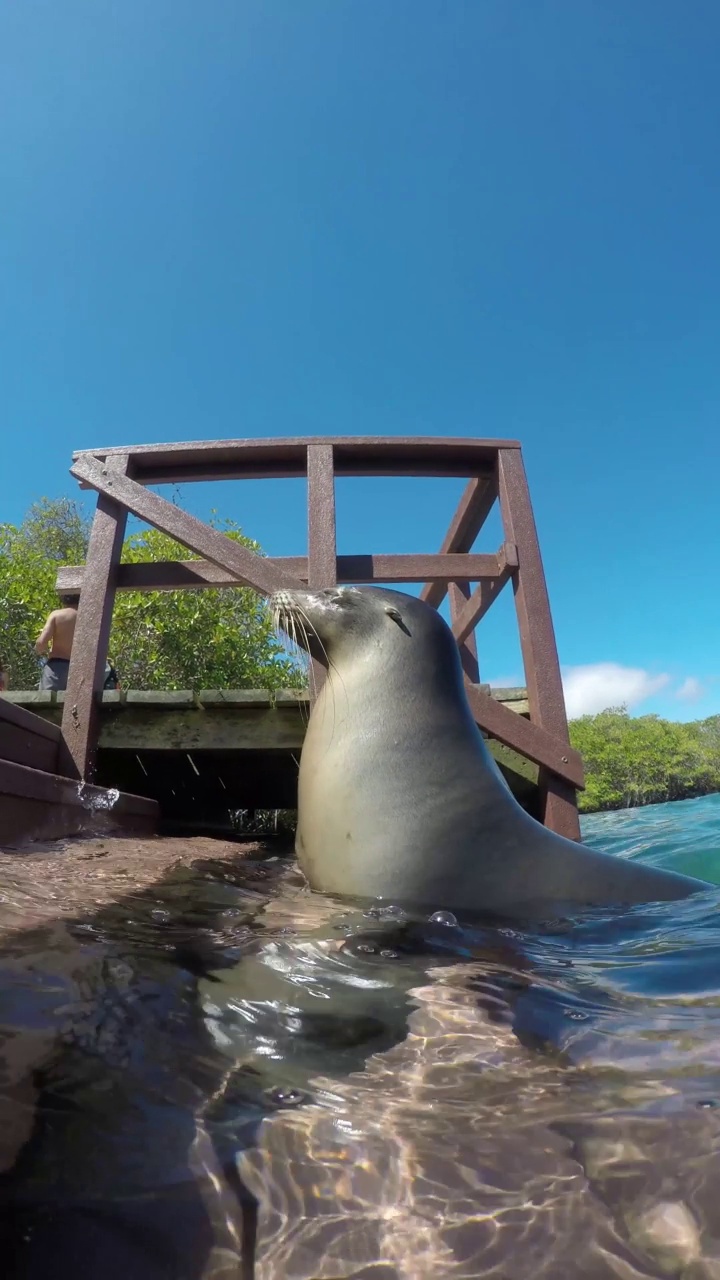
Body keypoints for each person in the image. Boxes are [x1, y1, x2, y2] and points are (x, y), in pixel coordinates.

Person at [35, 593, 79, 691]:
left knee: (47, 704)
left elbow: (41, 643)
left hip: (57, 668)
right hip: (80, 669)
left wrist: (40, 651)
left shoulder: (57, 615)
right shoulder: (88, 618)